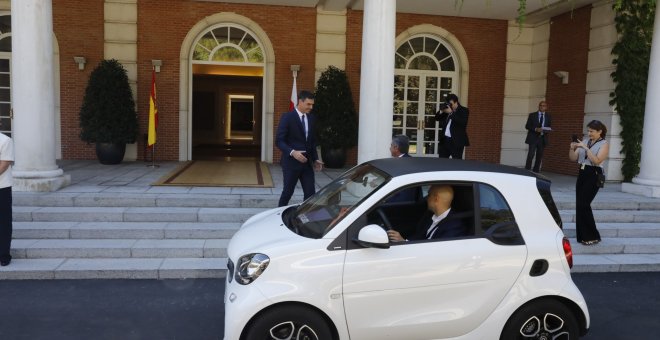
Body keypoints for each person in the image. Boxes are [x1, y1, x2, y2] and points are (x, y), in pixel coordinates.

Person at [276, 90, 323, 207]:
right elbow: (279, 141)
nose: (311, 107)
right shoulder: (287, 117)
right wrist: (292, 152)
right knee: (288, 192)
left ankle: (306, 218)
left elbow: (311, 142)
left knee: (310, 194)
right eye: (308, 104)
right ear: (300, 102)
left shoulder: (312, 118)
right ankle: (277, 215)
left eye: (312, 104)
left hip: (307, 163)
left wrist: (315, 159)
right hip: (291, 163)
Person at [569, 120, 609, 246]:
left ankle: (592, 235)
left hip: (594, 174)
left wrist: (586, 149)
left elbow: (597, 161)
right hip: (582, 173)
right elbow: (573, 158)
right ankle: (583, 236)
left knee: (584, 204)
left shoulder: (604, 144)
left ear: (599, 132)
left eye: (592, 131)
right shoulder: (585, 141)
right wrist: (572, 148)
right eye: (588, 131)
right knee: (579, 204)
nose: (589, 133)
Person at [387, 184, 468, 242]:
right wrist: (404, 241)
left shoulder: (454, 227)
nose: (426, 199)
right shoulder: (430, 216)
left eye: (428, 195)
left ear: (436, 199)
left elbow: (435, 253)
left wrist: (403, 242)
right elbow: (419, 236)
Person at [437, 94, 469, 159]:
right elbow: (437, 118)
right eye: (448, 104)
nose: (449, 105)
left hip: (456, 141)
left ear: (456, 102)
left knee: (456, 163)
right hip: (445, 141)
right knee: (442, 162)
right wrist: (441, 111)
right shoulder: (447, 110)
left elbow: (463, 122)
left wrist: (451, 113)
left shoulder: (464, 110)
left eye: (451, 104)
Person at [525, 101, 552, 173]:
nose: (542, 107)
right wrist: (535, 129)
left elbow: (549, 127)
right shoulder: (532, 115)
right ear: (539, 106)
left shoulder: (548, 116)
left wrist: (546, 130)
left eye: (544, 106)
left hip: (542, 139)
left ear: (546, 107)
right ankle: (527, 171)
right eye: (541, 105)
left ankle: (536, 171)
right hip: (533, 138)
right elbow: (527, 126)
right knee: (531, 155)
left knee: (539, 156)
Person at [0, 126, 13, 266]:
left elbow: (4, 164)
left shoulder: (5, 140)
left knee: (3, 223)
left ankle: (3, 255)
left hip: (1, 188)